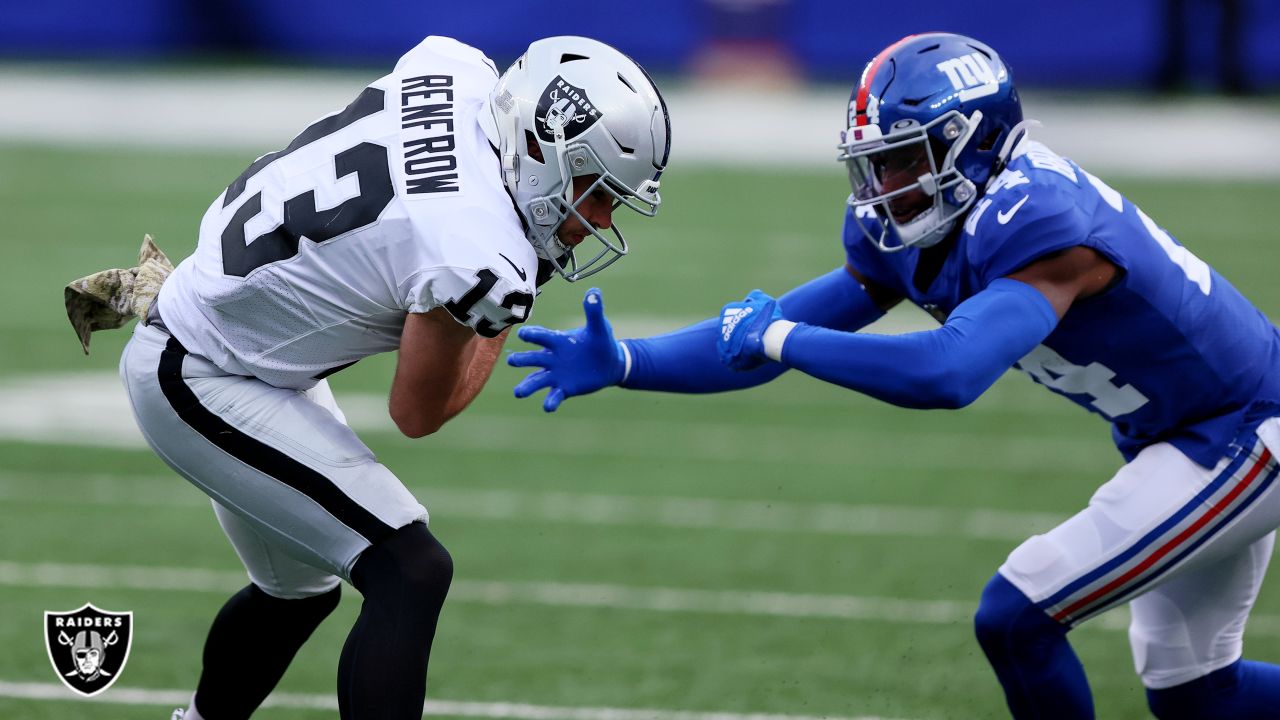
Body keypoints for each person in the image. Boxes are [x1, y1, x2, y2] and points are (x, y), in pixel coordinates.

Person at [506, 32, 1280, 719]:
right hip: (1176, 433)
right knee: (1196, 697)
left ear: (974, 142)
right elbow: (770, 330)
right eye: (876, 161)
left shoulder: (1039, 223)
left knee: (1018, 614)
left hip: (1241, 428)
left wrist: (778, 336)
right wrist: (630, 363)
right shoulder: (930, 220)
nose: (883, 184)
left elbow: (947, 372)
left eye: (905, 158)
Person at [95, 34, 670, 720]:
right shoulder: (476, 247)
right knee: (410, 570)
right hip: (198, 370)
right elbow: (418, 412)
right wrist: (514, 293)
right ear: (545, 148)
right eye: (594, 190)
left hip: (243, 343)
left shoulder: (455, 73)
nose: (598, 218)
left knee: (297, 591)